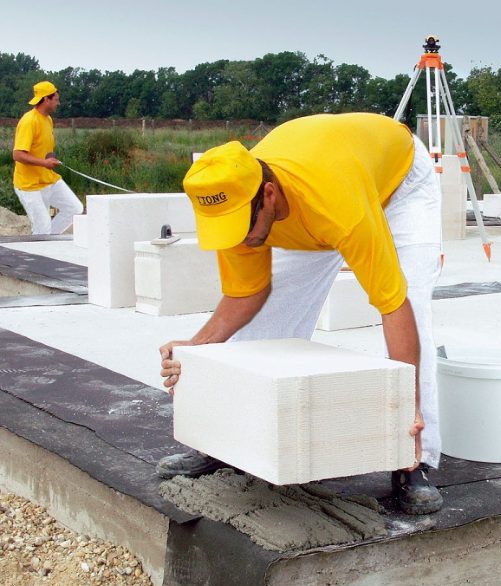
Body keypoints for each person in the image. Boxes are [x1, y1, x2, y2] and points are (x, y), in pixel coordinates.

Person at [157, 112, 444, 515]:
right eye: (229, 229)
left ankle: (414, 459)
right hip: (313, 198)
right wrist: (196, 349)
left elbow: (393, 306)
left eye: (244, 227)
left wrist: (405, 404)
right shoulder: (233, 195)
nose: (239, 241)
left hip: (398, 184)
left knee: (412, 302)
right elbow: (245, 296)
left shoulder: (340, 204)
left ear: (269, 195)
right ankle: (227, 442)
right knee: (265, 323)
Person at [13, 81, 83, 235]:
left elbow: (42, 148)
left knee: (75, 208)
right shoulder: (29, 121)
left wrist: (49, 159)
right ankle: (41, 249)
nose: (58, 103)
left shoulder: (48, 120)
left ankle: (48, 239)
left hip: (48, 179)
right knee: (42, 226)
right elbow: (17, 154)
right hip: (29, 185)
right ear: (46, 99)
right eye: (56, 99)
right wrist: (44, 162)